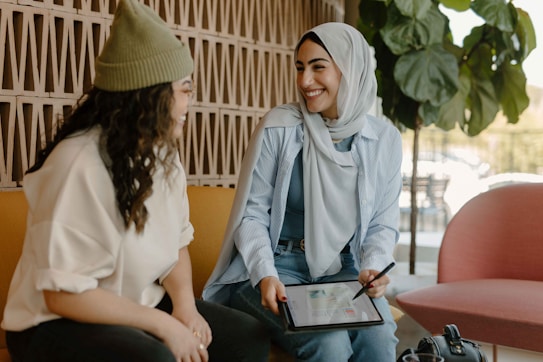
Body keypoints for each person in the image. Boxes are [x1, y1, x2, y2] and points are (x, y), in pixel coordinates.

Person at [0, 1, 270, 361]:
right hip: (53, 321)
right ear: (150, 95)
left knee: (246, 337)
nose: (191, 100)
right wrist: (163, 326)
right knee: (154, 356)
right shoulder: (77, 162)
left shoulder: (163, 154)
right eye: (185, 89)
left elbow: (176, 247)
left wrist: (186, 309)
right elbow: (62, 294)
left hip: (135, 303)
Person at [203, 22, 402, 361]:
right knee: (329, 343)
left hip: (344, 269)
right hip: (276, 268)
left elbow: (383, 224)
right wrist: (265, 274)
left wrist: (373, 267)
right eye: (300, 68)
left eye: (318, 67)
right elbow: (251, 215)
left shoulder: (384, 139)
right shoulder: (280, 127)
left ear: (349, 70)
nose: (304, 81)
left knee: (379, 339)